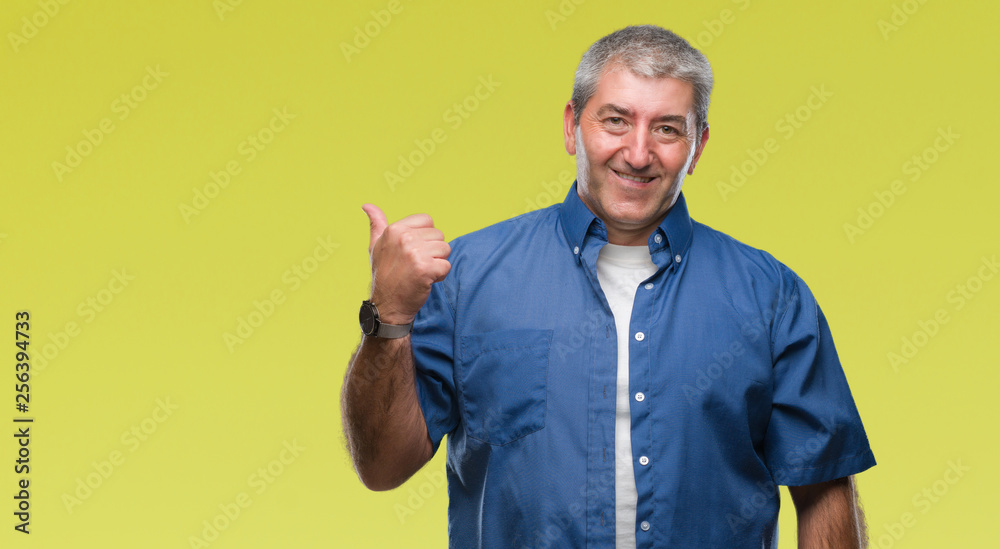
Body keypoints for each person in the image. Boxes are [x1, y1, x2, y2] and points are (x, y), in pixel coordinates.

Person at [342, 24, 875, 548]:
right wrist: (389, 313)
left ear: (699, 145)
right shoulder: (468, 278)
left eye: (667, 128)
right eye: (616, 121)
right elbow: (383, 467)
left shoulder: (771, 296)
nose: (638, 153)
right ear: (573, 126)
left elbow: (823, 486)